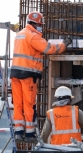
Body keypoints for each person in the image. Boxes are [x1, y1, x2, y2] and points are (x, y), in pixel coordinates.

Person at [10, 11, 72, 143]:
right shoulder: (33, 36)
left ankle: (18, 132)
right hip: (28, 75)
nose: (41, 27)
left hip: (15, 74)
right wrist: (64, 45)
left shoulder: (19, 35)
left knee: (18, 104)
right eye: (40, 25)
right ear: (36, 24)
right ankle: (30, 134)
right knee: (29, 104)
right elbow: (50, 49)